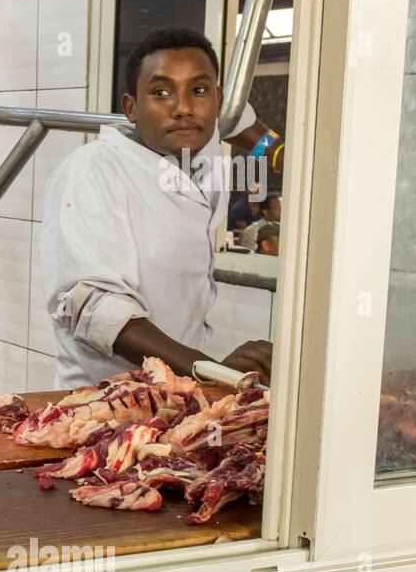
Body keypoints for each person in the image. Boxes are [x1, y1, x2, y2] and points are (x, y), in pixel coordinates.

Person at [39, 26, 275, 388]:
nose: (183, 108)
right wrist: (213, 373)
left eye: (198, 91)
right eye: (161, 93)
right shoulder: (94, 169)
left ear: (217, 99)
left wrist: (283, 156)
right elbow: (97, 309)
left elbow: (238, 122)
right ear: (131, 108)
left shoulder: (199, 151)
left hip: (183, 394)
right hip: (106, 406)